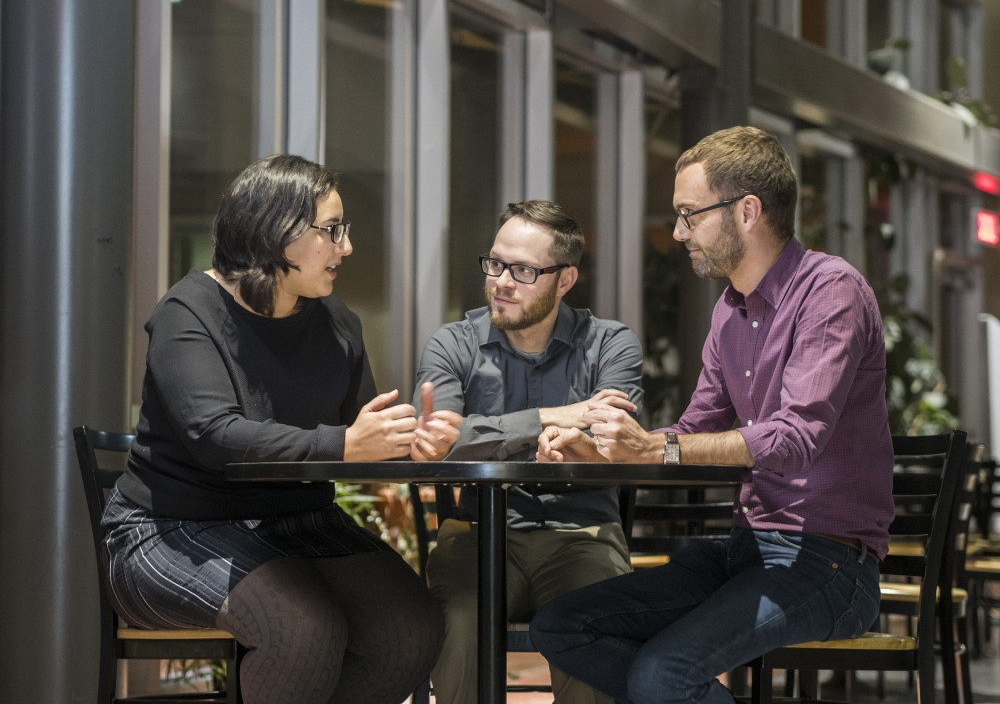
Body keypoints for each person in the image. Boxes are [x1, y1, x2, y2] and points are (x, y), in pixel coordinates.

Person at [529, 126, 895, 704]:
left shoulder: (831, 291)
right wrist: (605, 449)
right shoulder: (730, 309)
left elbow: (798, 436)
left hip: (828, 564)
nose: (678, 233)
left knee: (662, 675)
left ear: (747, 210)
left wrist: (657, 449)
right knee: (559, 626)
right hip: (743, 549)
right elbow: (692, 430)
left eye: (689, 214)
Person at [101, 154, 462, 704]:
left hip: (296, 522)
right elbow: (216, 437)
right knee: (301, 629)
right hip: (169, 528)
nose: (346, 248)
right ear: (275, 232)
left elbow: (359, 433)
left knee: (410, 629)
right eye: (332, 231)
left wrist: (409, 446)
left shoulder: (336, 321)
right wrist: (346, 443)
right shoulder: (189, 311)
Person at [413, 199, 644, 704]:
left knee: (596, 633)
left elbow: (620, 441)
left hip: (583, 534)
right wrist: (548, 417)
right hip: (475, 533)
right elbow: (440, 442)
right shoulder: (453, 345)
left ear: (565, 280)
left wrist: (579, 441)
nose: (501, 281)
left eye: (523, 270)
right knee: (458, 626)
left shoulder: (609, 344)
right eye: (495, 263)